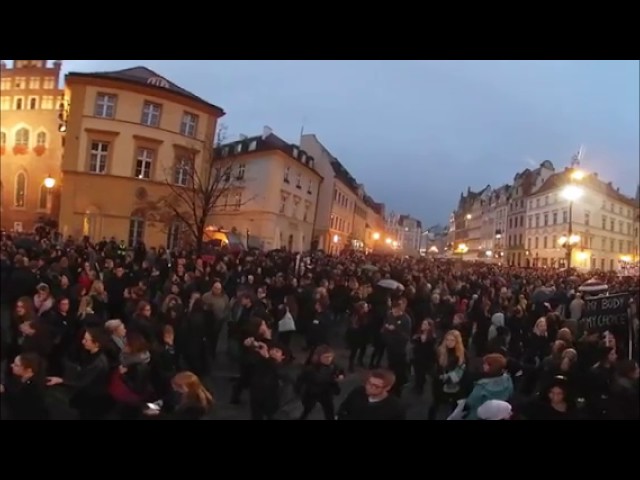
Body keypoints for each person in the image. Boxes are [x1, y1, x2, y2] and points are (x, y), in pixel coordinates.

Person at [296, 345, 344, 420]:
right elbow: (317, 379)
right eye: (325, 357)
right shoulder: (311, 368)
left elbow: (341, 371)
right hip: (313, 392)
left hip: (326, 392)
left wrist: (341, 375)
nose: (328, 359)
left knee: (329, 411)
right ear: (319, 357)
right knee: (306, 410)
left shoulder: (333, 365)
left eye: (330, 357)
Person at [337, 369, 405, 420]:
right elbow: (344, 408)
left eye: (375, 386)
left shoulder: (395, 408)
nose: (369, 387)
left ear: (387, 388)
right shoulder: (358, 391)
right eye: (369, 383)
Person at [143, 371, 213, 420]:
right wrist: (160, 402)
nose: (174, 388)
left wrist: (158, 414)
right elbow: (169, 398)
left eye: (178, 386)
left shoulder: (197, 405)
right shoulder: (180, 393)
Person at [0, 352, 50, 420]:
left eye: (16, 365)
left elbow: (16, 407)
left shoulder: (32, 391)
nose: (12, 365)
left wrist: (4, 392)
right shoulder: (17, 378)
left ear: (28, 370)